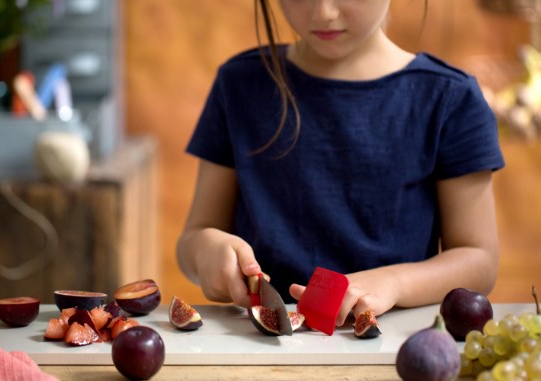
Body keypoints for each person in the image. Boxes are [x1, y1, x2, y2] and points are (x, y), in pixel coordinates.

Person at [177, 0, 505, 327]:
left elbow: (479, 260)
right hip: (260, 341)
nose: (324, 13)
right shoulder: (237, 84)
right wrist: (206, 252)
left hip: (396, 343)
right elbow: (193, 239)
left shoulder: (451, 98)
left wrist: (395, 282)